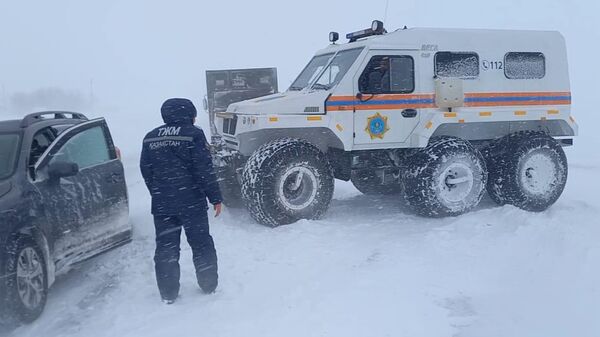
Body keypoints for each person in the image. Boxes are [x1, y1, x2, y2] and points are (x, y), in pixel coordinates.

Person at [140, 98, 223, 304]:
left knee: (166, 247)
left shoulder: (150, 137)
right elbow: (204, 169)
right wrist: (215, 197)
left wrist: (158, 192)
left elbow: (146, 170)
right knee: (201, 243)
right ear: (189, 114)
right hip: (191, 201)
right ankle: (208, 284)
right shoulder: (193, 135)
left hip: (163, 203)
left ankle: (168, 293)